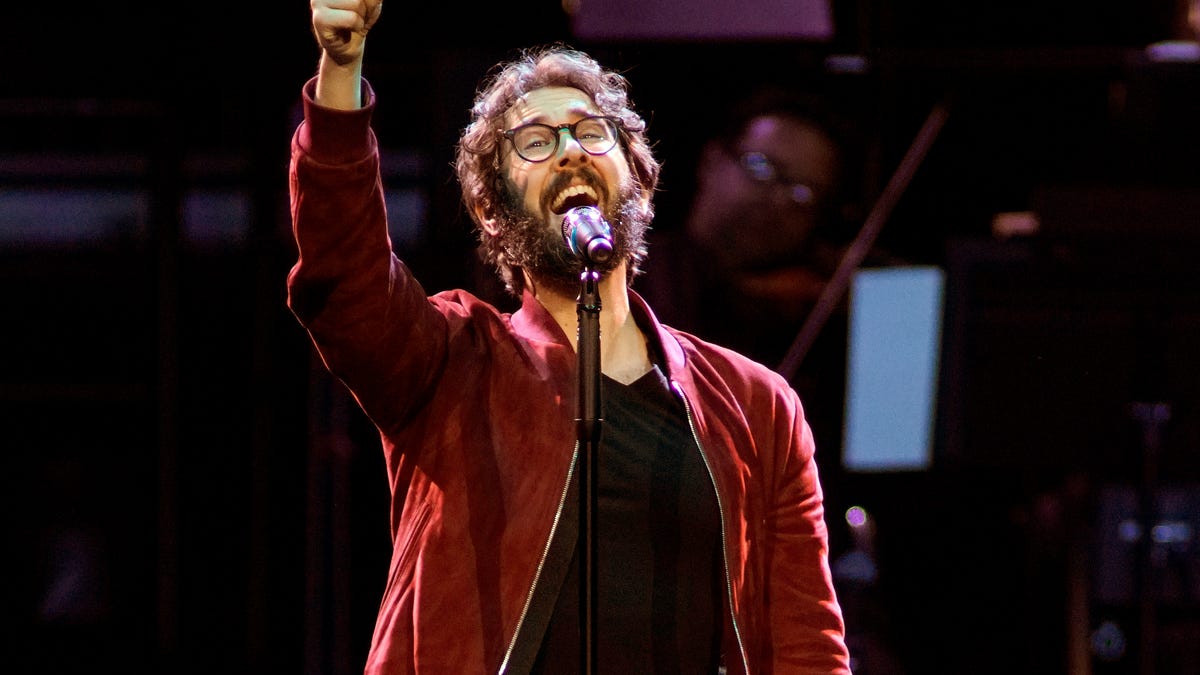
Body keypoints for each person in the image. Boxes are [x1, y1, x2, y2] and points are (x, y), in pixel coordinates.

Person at [286, 1, 851, 672]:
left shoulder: (759, 406)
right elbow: (347, 275)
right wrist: (342, 75)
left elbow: (805, 642)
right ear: (493, 214)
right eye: (535, 141)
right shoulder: (451, 358)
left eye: (590, 132)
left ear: (640, 184)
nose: (569, 151)